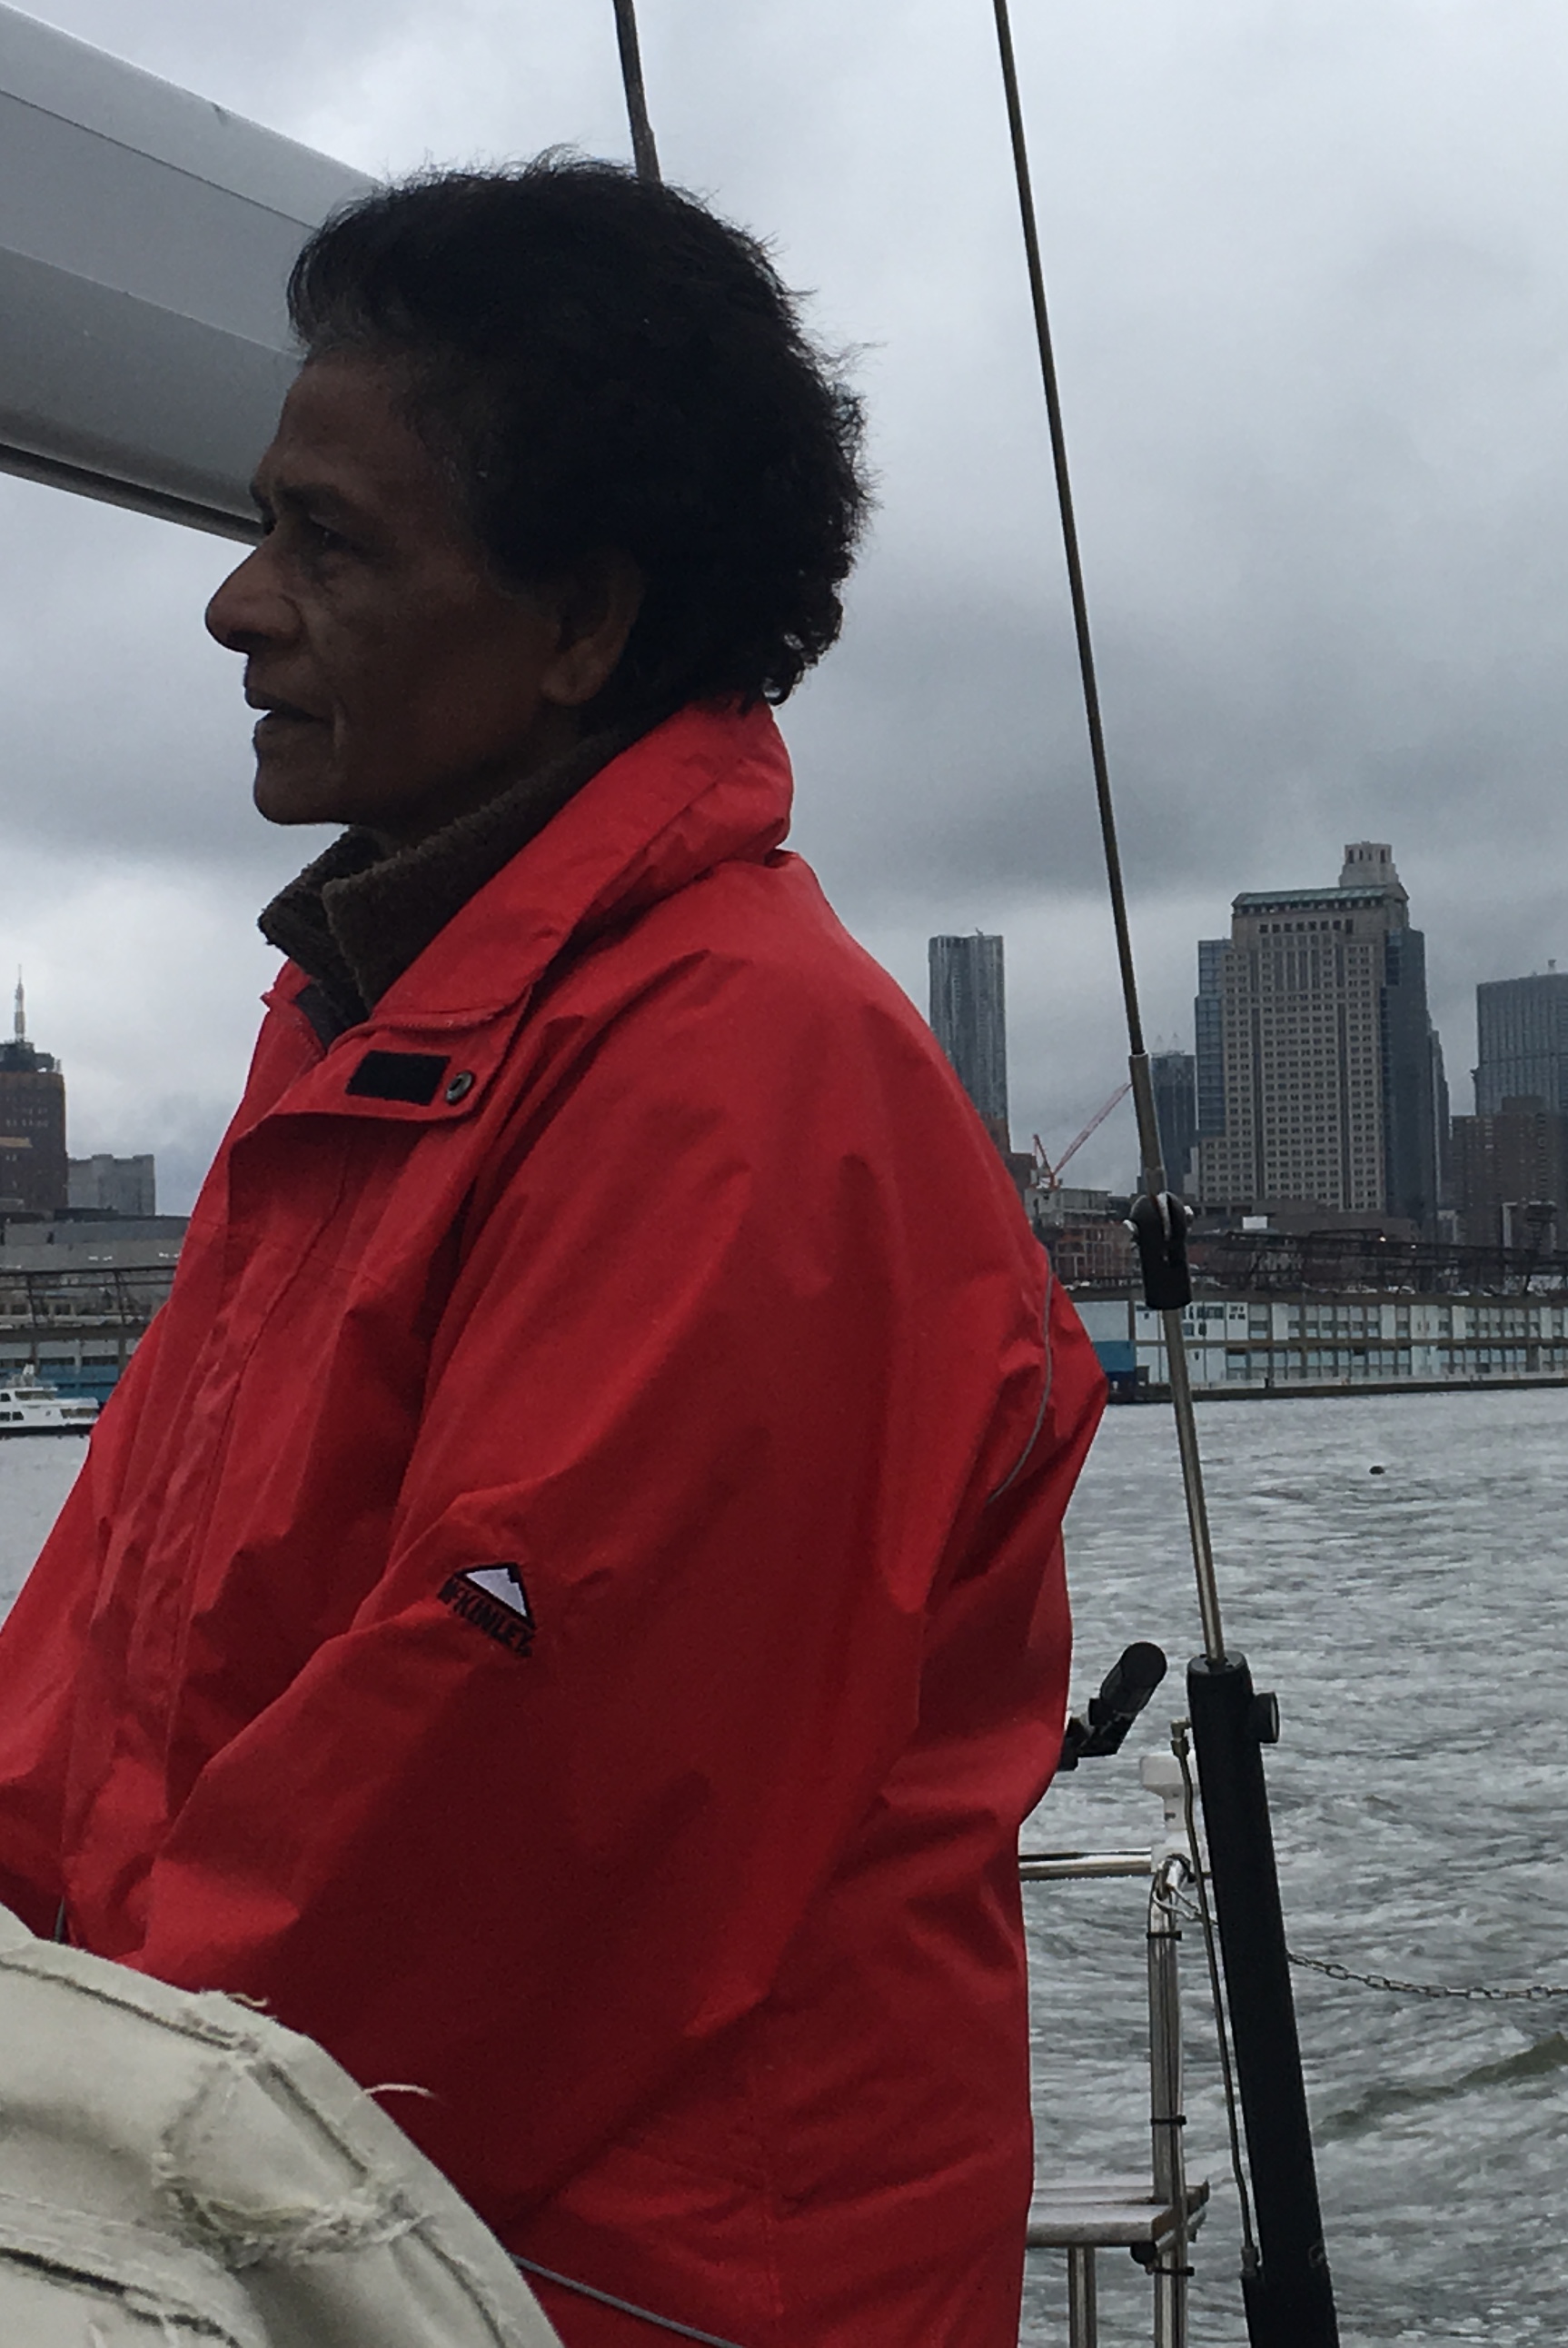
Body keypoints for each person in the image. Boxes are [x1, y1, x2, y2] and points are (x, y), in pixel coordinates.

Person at [0, 162, 1106, 2348]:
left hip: (596, 2290)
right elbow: (104, 1670)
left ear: (584, 621)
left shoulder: (744, 1090)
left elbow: (494, 1838)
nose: (236, 606)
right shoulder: (375, 1032)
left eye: (328, 542)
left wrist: (65, 2116)